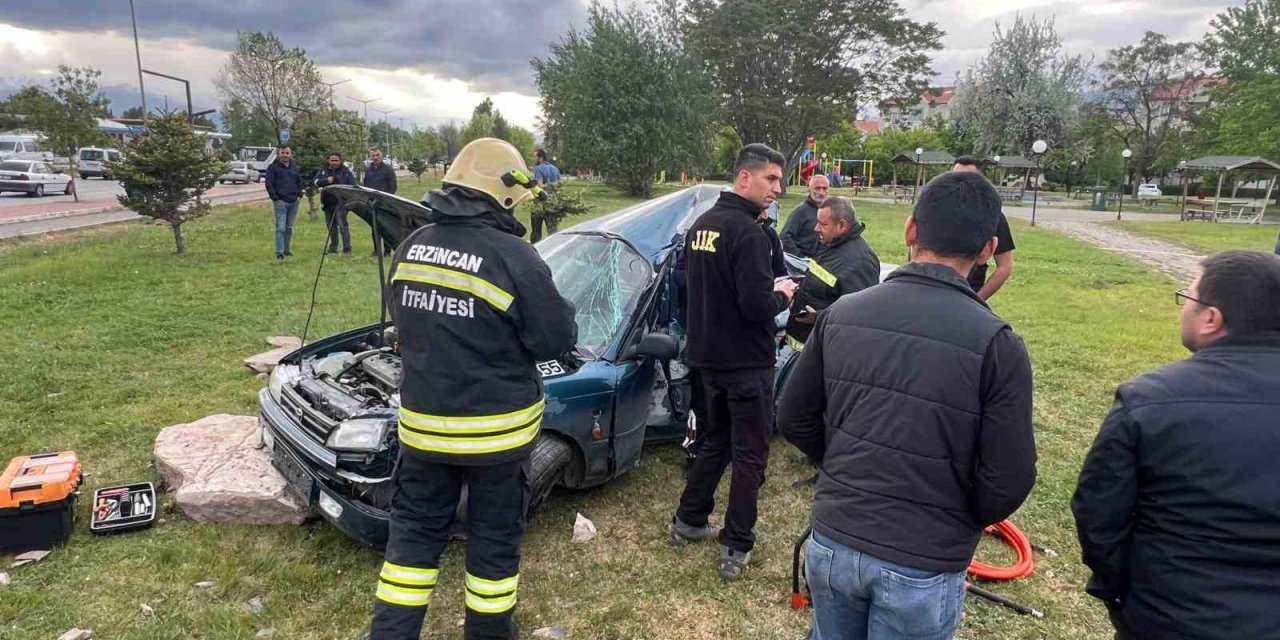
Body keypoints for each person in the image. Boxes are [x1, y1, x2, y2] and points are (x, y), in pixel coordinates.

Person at [777, 171, 1036, 640]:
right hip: (922, 562)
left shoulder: (841, 316)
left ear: (911, 230)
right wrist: (954, 517)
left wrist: (841, 467)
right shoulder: (1000, 345)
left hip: (836, 542)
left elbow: (794, 416)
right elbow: (1009, 480)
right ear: (987, 249)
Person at [367, 138, 578, 640]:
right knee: (493, 545)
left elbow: (403, 323)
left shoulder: (410, 247)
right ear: (501, 193)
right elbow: (555, 339)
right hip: (496, 442)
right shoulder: (514, 257)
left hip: (422, 435)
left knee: (411, 548)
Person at [1072, 250, 1280, 640]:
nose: (1183, 306)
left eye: (1189, 297)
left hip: (1170, 617)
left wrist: (1127, 593)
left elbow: (1098, 516)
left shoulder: (1148, 401)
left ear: (1211, 318)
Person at [669, 143, 798, 582]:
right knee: (750, 454)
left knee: (716, 441)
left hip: (708, 358)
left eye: (780, 180)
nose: (778, 189)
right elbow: (757, 307)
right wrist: (784, 293)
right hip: (746, 363)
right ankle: (737, 543)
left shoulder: (702, 225)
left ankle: (689, 518)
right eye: (771, 179)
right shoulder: (749, 234)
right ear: (745, 177)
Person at [781, 196, 880, 352]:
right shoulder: (829, 244)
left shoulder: (860, 262)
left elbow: (859, 315)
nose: (816, 228)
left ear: (842, 225)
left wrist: (819, 317)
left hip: (821, 352)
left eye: (822, 224)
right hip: (799, 344)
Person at [953, 156, 1015, 300]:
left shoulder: (994, 216)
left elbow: (1005, 267)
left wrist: (977, 299)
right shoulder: (935, 210)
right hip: (932, 293)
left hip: (968, 294)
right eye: (955, 177)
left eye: (968, 178)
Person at [264, 146, 304, 260]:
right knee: (281, 227)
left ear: (291, 154)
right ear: (278, 154)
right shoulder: (273, 168)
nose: (285, 155)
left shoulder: (294, 168)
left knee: (289, 227)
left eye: (287, 153)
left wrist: (300, 193)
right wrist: (275, 198)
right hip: (281, 201)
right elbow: (269, 184)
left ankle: (287, 250)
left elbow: (299, 181)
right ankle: (279, 251)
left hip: (294, 201)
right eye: (283, 153)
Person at [313, 152, 357, 254]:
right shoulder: (323, 171)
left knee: (342, 226)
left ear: (340, 161)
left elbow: (353, 185)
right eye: (332, 160)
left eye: (336, 160)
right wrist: (326, 180)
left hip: (341, 203)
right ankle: (333, 247)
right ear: (328, 160)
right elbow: (315, 182)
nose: (334, 162)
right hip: (327, 203)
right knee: (331, 227)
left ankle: (347, 248)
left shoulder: (346, 171)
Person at [780, 174, 829, 258]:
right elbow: (784, 237)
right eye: (817, 188)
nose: (821, 192)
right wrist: (799, 257)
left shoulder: (830, 210)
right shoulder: (801, 211)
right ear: (809, 189)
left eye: (824, 188)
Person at [363, 148, 398, 255]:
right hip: (372, 203)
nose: (375, 157)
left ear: (381, 156)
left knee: (385, 228)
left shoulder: (388, 170)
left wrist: (386, 199)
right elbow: (365, 185)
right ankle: (376, 250)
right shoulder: (368, 170)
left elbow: (393, 187)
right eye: (373, 155)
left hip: (384, 203)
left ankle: (387, 251)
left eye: (377, 155)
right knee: (374, 228)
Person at [529, 148, 561, 243]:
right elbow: (559, 185)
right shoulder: (555, 169)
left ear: (541, 158)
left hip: (539, 203)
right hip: (552, 203)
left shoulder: (538, 169)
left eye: (534, 156)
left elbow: (539, 186)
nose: (532, 158)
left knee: (536, 232)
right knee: (553, 231)